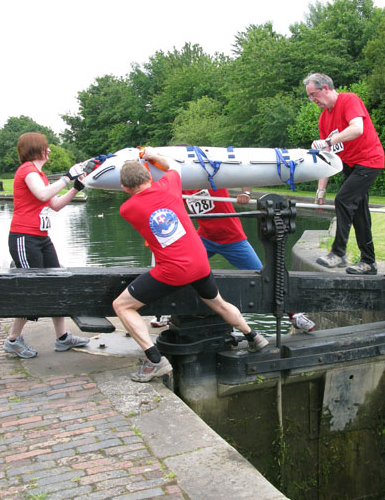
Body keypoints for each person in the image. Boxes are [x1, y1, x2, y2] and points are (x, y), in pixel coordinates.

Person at [112, 151, 269, 383]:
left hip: (173, 270)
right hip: (200, 262)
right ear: (149, 175)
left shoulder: (126, 209)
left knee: (122, 305)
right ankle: (254, 336)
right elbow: (173, 164)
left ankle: (154, 360)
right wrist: (153, 155)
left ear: (125, 188)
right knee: (218, 303)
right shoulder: (169, 185)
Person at [181, 186, 317, 332]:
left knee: (264, 276)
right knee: (181, 269)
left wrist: (245, 193)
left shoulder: (213, 179)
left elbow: (241, 170)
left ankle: (294, 315)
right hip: (205, 238)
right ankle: (168, 312)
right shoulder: (184, 184)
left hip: (233, 239)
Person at [4, 132, 89, 358]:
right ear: (36, 148)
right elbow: (42, 195)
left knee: (56, 282)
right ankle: (13, 339)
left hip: (41, 237)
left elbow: (56, 204)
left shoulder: (39, 175)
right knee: (34, 287)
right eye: (47, 147)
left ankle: (62, 338)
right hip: (24, 238)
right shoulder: (27, 171)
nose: (49, 150)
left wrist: (75, 188)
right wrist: (66, 178)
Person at [304, 72, 385, 275]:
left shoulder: (349, 100)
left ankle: (338, 253)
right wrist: (320, 190)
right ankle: (369, 262)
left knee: (343, 199)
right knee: (359, 213)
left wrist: (329, 141)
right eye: (309, 96)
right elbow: (327, 156)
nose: (312, 100)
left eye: (314, 94)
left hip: (369, 161)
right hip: (350, 165)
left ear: (326, 88)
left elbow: (357, 129)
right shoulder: (324, 119)